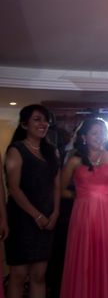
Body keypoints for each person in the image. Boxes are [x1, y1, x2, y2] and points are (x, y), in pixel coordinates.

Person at [60, 117, 108, 297]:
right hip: (83, 213)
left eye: (103, 132)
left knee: (107, 257)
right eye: (95, 133)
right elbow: (60, 189)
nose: (100, 136)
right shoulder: (75, 160)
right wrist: (81, 195)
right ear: (84, 137)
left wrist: (101, 193)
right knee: (85, 257)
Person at [4, 104, 60, 298]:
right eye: (37, 119)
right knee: (19, 275)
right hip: (22, 218)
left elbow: (56, 186)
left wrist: (55, 213)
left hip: (47, 219)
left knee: (39, 274)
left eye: (45, 120)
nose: (43, 124)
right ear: (24, 124)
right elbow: (13, 188)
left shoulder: (51, 151)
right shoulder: (16, 150)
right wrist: (36, 215)